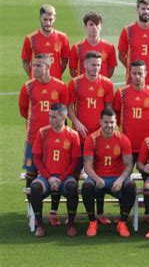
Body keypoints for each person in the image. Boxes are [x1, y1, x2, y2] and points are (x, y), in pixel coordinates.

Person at [18, 54, 68, 226]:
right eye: (33, 65)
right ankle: (34, 212)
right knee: (31, 174)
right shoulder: (28, 87)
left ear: (47, 67)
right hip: (33, 138)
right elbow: (23, 110)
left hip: (55, 139)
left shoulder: (60, 87)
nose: (34, 68)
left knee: (55, 173)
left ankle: (53, 212)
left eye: (38, 65)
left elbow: (64, 111)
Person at [68, 51, 115, 223]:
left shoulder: (107, 84)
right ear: (85, 65)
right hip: (79, 138)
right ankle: (70, 213)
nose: (96, 68)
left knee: (99, 173)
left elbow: (108, 110)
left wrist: (104, 130)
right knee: (73, 173)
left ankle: (100, 213)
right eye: (93, 64)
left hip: (99, 139)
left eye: (98, 65)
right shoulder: (75, 83)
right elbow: (68, 105)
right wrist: (77, 123)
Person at [82, 108, 136, 237]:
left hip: (116, 178)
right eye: (106, 122)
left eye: (112, 122)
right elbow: (87, 166)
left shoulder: (123, 139)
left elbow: (129, 166)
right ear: (100, 121)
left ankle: (122, 223)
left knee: (131, 187)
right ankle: (92, 222)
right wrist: (96, 178)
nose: (109, 126)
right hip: (99, 178)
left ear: (116, 122)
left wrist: (121, 179)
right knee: (87, 186)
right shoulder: (92, 139)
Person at [29, 103, 81, 237]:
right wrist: (49, 177)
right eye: (50, 116)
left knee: (72, 187)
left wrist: (61, 179)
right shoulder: (42, 132)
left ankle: (71, 225)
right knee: (34, 188)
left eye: (54, 117)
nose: (50, 120)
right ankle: (40, 225)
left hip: (64, 178)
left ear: (64, 117)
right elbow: (36, 158)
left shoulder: (73, 135)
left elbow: (75, 161)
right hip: (46, 178)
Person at [113, 60, 149, 165]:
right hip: (126, 145)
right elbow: (116, 115)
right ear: (129, 74)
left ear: (145, 73)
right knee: (124, 178)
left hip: (147, 145)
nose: (137, 76)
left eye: (140, 73)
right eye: (134, 73)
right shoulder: (121, 93)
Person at [21, 4, 70, 80]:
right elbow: (25, 63)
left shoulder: (62, 37)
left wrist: (56, 74)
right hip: (36, 82)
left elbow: (65, 62)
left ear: (55, 19)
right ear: (40, 18)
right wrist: (34, 75)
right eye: (45, 19)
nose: (48, 23)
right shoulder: (30, 38)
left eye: (50, 19)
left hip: (55, 83)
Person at [69, 11, 117, 78]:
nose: (94, 27)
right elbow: (72, 69)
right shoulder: (76, 47)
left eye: (97, 24)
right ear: (85, 27)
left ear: (101, 27)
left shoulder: (109, 47)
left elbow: (111, 68)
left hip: (102, 87)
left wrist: (103, 82)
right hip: (83, 87)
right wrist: (81, 82)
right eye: (91, 24)